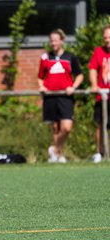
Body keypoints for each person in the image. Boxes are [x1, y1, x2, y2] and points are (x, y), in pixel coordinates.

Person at [37, 29, 83, 163]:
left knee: (66, 127)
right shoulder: (45, 57)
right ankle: (58, 155)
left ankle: (55, 149)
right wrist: (42, 86)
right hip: (50, 96)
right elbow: (40, 77)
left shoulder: (70, 57)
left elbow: (79, 75)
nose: (53, 43)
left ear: (62, 41)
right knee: (55, 128)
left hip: (65, 96)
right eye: (51, 40)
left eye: (56, 40)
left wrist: (73, 86)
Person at [88, 25, 110, 163]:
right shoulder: (98, 52)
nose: (107, 40)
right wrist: (94, 84)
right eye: (105, 37)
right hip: (102, 96)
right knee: (100, 125)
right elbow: (92, 69)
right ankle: (99, 152)